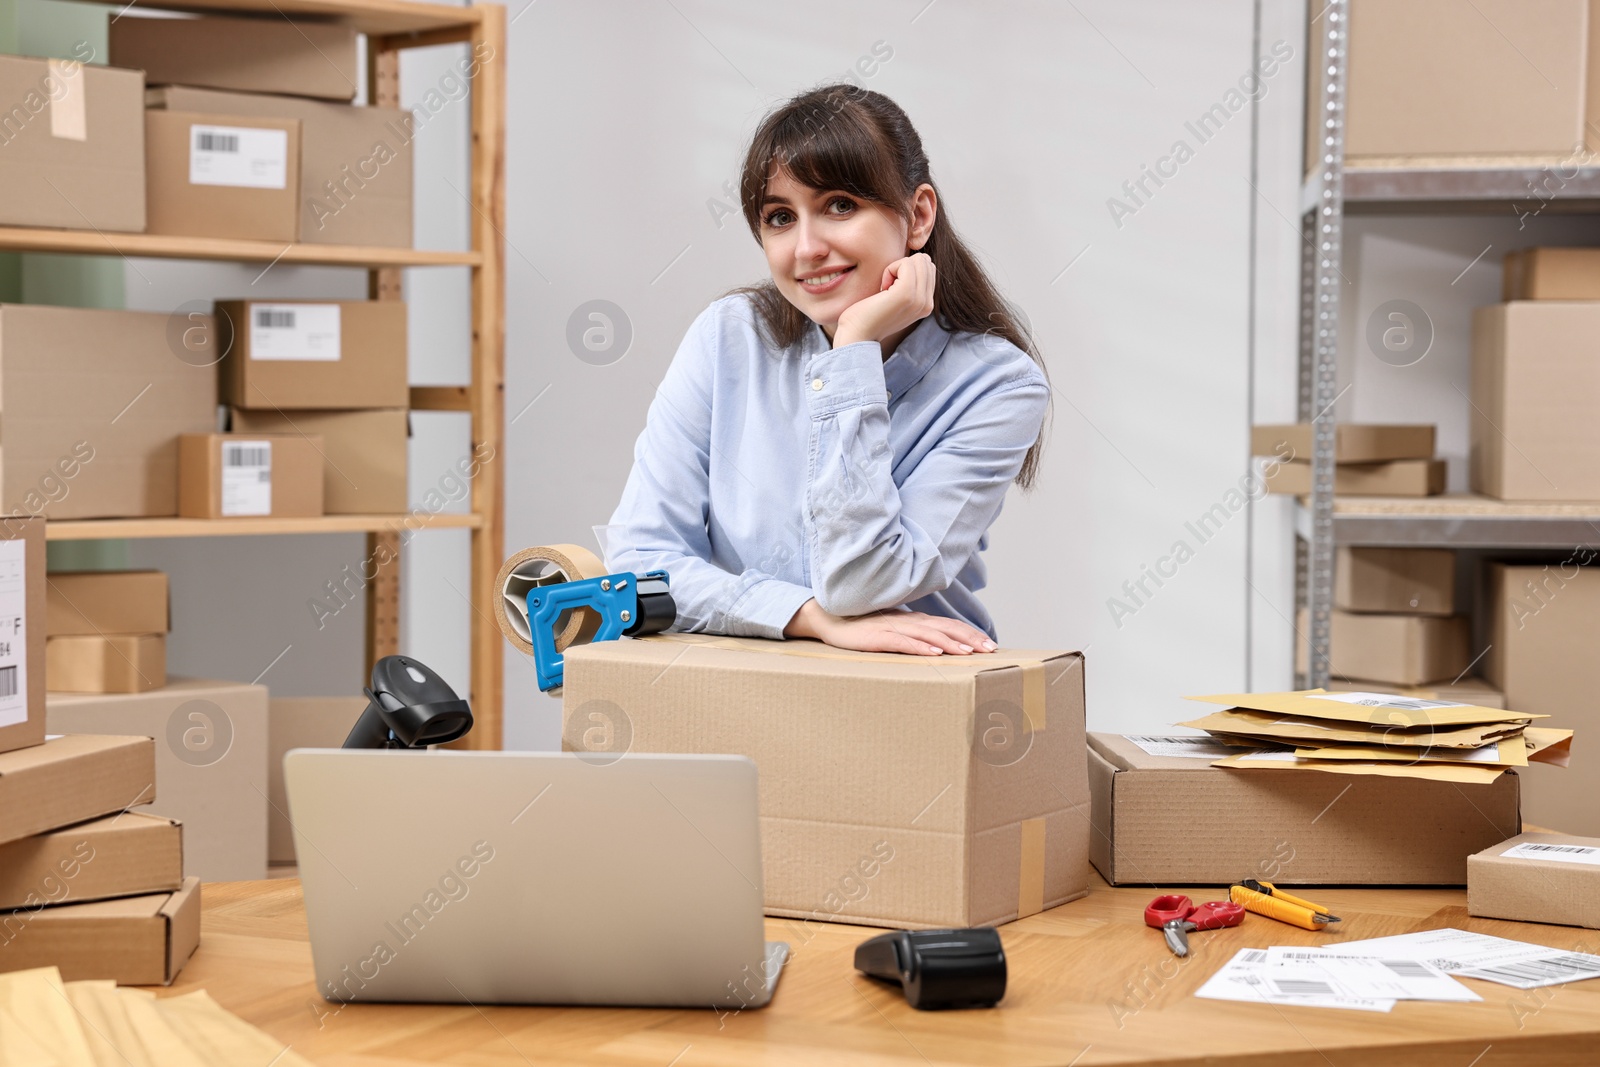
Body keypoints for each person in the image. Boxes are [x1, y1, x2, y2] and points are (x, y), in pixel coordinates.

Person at [605, 84, 1050, 657]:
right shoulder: (729, 338)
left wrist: (853, 352)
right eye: (780, 217)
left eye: (840, 205)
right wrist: (807, 617)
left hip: (917, 697)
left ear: (917, 217)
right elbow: (639, 567)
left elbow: (862, 583)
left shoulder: (999, 385)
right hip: (747, 685)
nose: (806, 248)